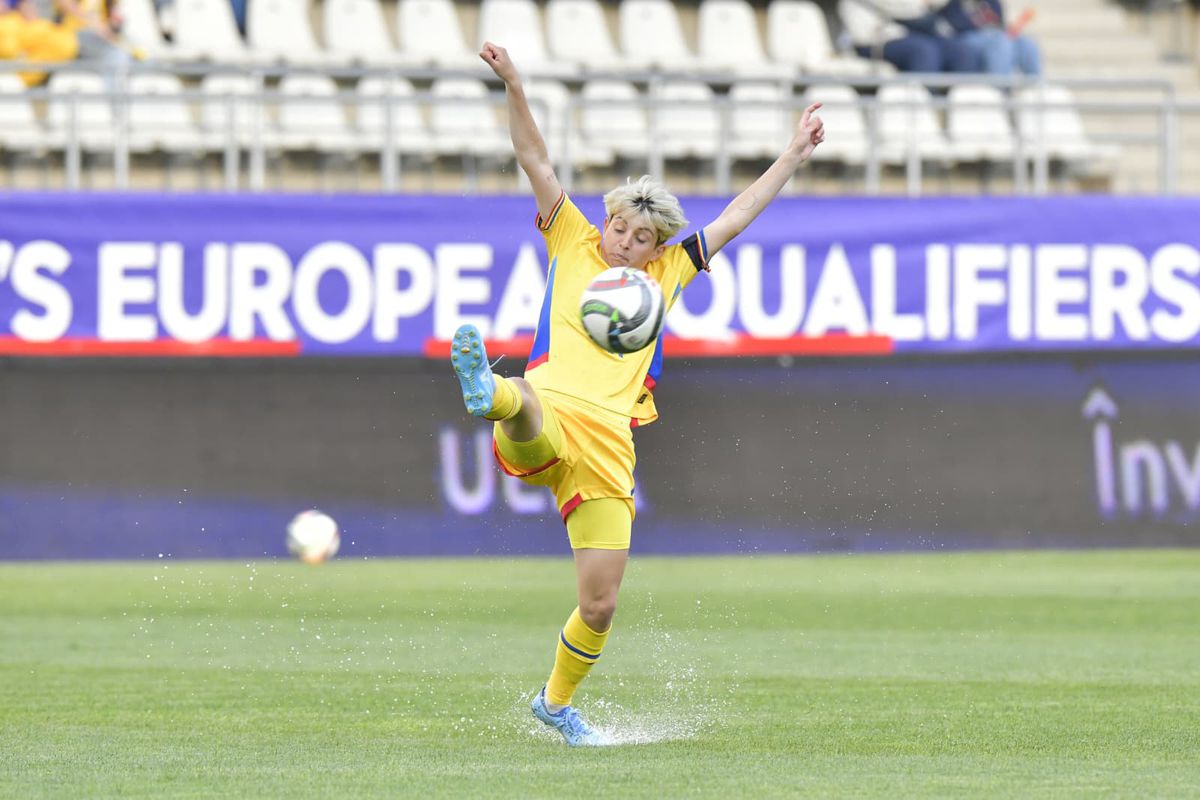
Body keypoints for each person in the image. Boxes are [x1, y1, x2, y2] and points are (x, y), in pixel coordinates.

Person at [449, 41, 825, 747]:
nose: (622, 241)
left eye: (640, 235)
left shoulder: (667, 276)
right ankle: (489, 390)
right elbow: (535, 160)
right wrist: (516, 86)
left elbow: (735, 218)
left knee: (600, 603)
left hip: (609, 449)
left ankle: (555, 705)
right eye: (619, 226)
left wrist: (792, 156)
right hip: (549, 409)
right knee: (525, 400)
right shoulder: (571, 238)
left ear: (658, 244)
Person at [839, 0, 978, 73]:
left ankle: (967, 115)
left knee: (961, 51)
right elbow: (901, 6)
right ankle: (925, 114)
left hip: (913, 33)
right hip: (873, 41)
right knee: (923, 52)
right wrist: (922, 3)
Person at [940, 0, 1041, 76]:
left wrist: (1008, 30)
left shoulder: (993, 3)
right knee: (1001, 41)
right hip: (967, 37)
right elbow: (956, 26)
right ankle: (1001, 87)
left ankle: (1035, 85)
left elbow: (1000, 24)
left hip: (995, 35)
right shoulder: (956, 4)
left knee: (1025, 41)